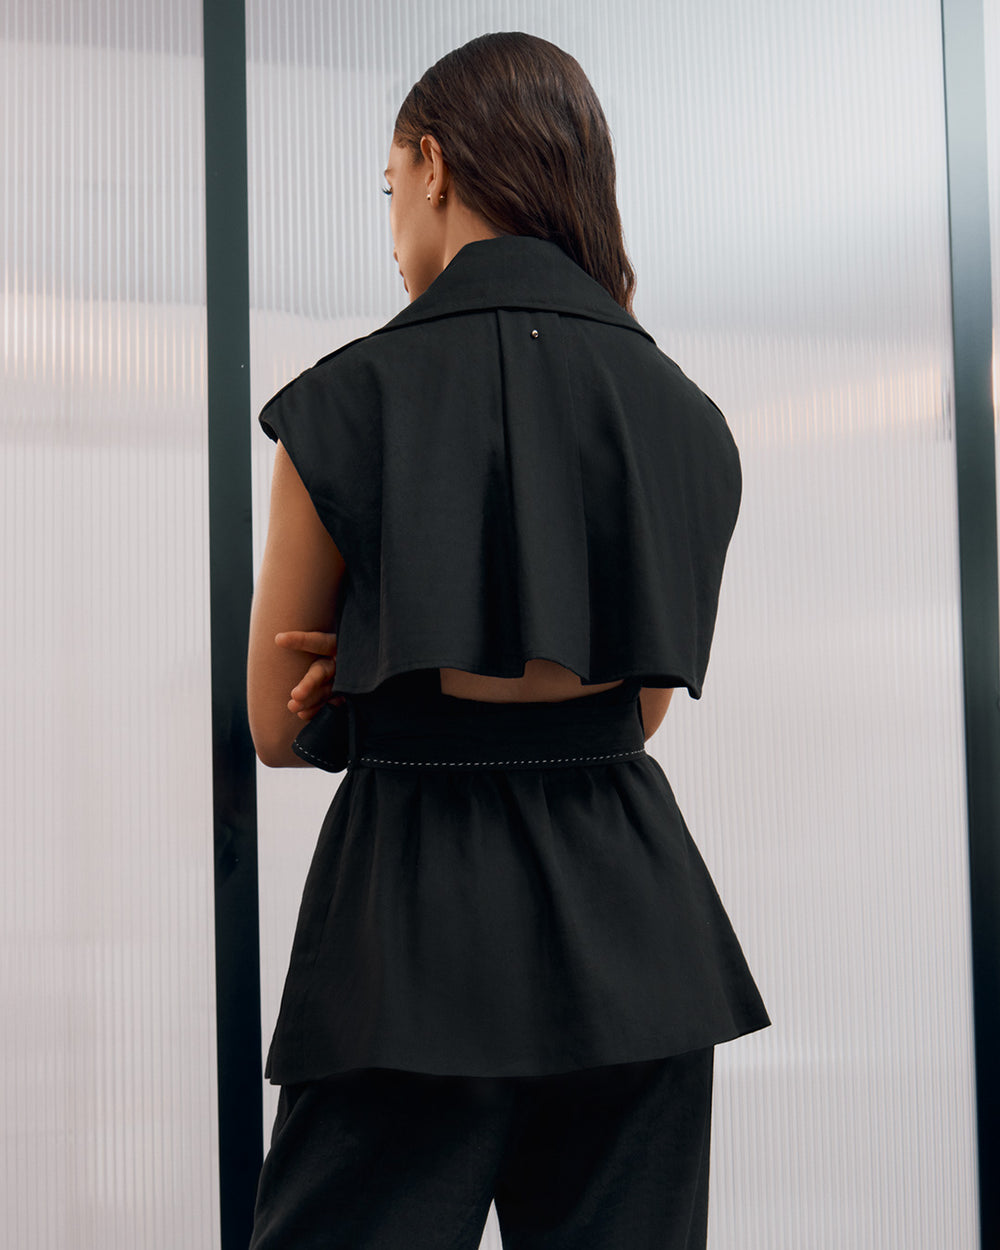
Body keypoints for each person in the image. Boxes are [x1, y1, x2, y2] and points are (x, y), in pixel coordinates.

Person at [245, 31, 769, 1250]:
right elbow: (632, 709)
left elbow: (278, 723)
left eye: (389, 190)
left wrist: (377, 673)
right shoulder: (684, 417)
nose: (392, 226)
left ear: (434, 165)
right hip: (639, 939)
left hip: (408, 935)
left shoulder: (346, 402)